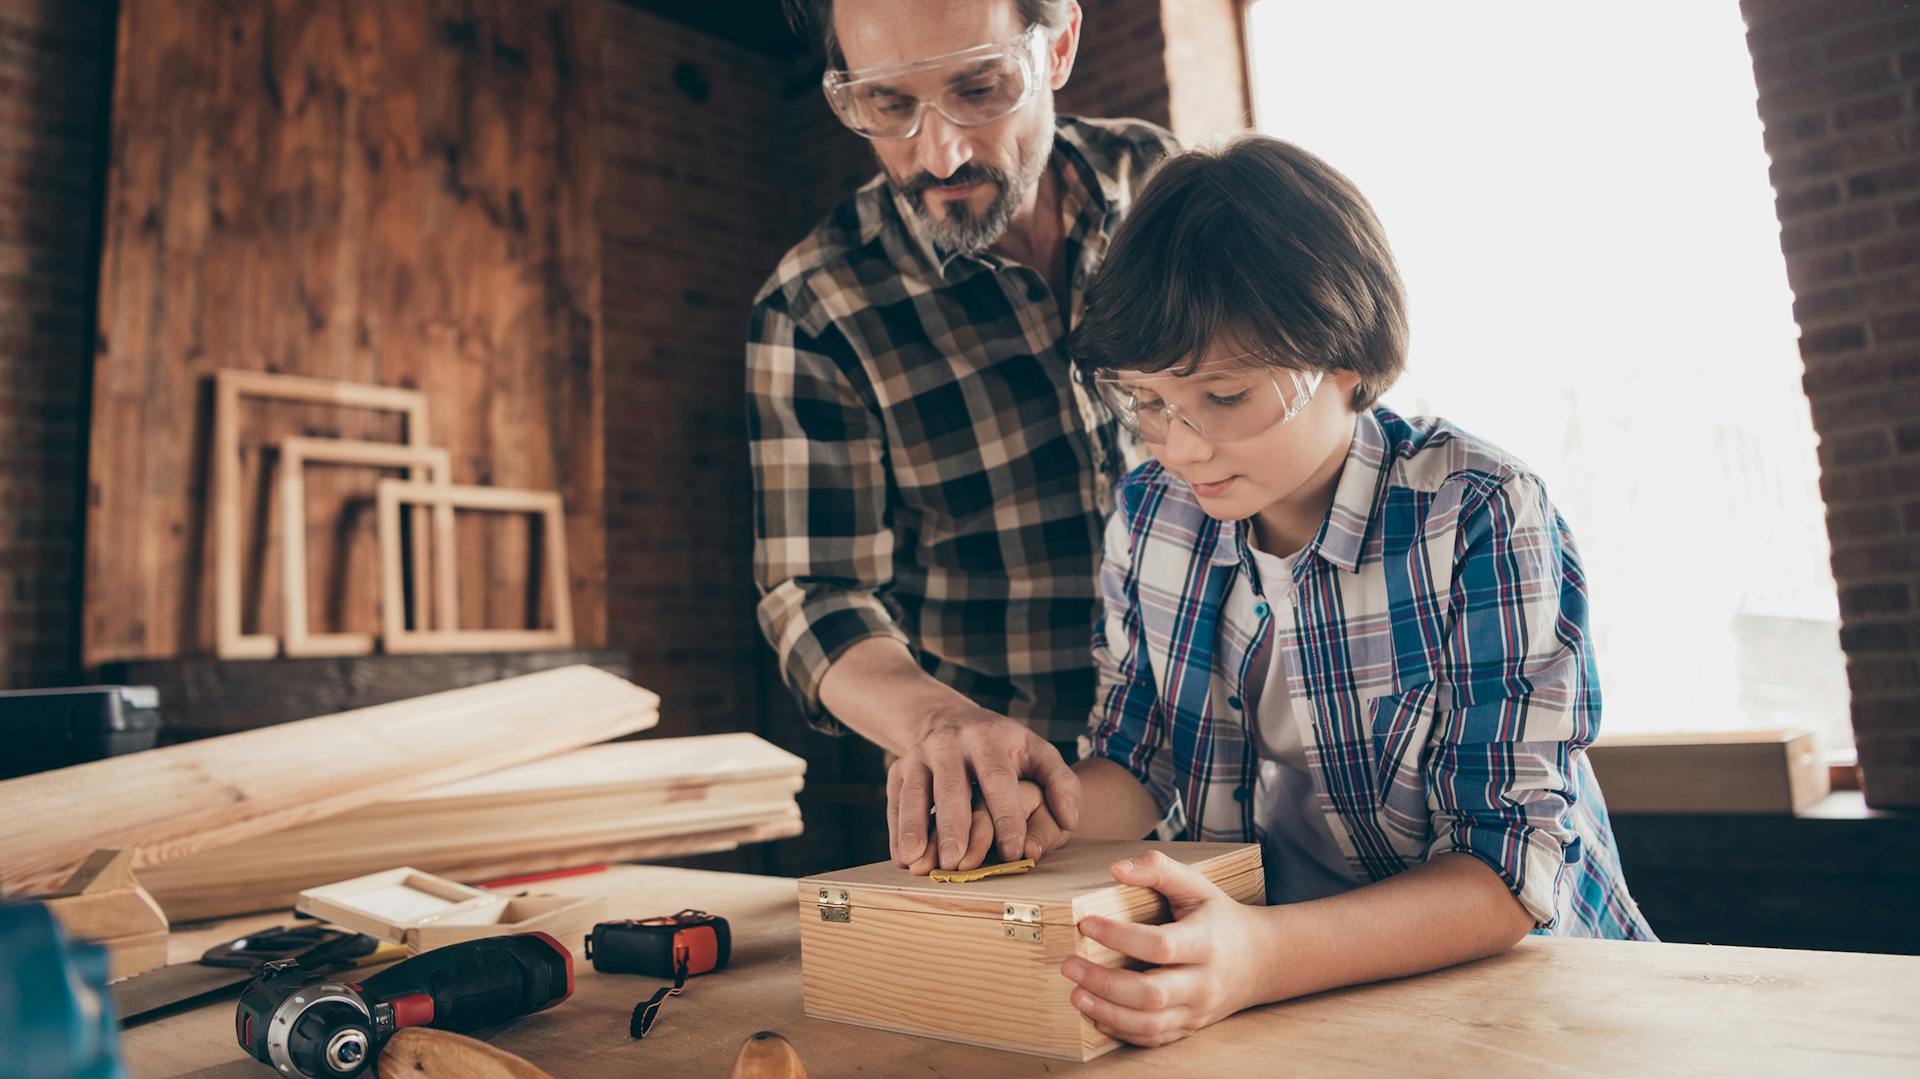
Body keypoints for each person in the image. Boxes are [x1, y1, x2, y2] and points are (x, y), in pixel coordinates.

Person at [1001, 135, 1655, 1047]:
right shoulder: (1153, 514)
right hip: (1273, 997)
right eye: (1147, 401)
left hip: (1521, 1004)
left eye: (1224, 396)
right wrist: (1032, 814)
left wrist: (1260, 956)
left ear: (1347, 361)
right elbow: (1140, 760)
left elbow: (1508, 869)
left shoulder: (1474, 513)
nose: (1181, 445)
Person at [749, 0, 1180, 873]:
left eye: (979, 89)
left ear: (1058, 47)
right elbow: (818, 593)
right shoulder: (815, 307)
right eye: (887, 105)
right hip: (1013, 825)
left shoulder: (1165, 191)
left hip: (1247, 770)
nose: (938, 154)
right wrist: (939, 723)